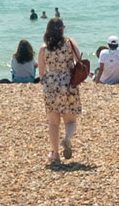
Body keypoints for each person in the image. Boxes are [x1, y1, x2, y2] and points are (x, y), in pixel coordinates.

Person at [36, 18, 84, 164]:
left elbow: (41, 72)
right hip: (68, 83)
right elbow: (79, 60)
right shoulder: (69, 43)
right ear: (62, 28)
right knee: (70, 120)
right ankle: (67, 138)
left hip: (51, 84)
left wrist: (46, 81)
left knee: (53, 122)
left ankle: (55, 154)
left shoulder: (44, 48)